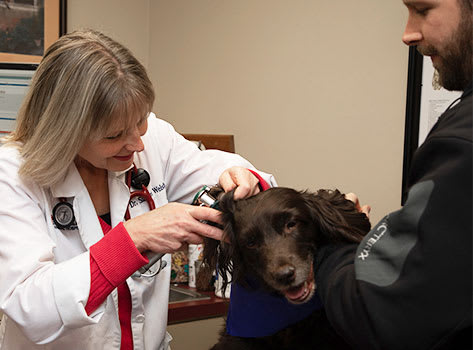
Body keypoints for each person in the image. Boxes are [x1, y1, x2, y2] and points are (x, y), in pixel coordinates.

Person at [0, 29, 276, 350]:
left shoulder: (152, 139)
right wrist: (132, 238)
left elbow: (212, 167)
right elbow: (31, 308)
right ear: (64, 129)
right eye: (114, 134)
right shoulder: (13, 174)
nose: (137, 142)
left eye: (141, 121)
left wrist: (240, 176)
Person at [314, 0, 472, 349]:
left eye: (423, 9)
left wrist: (329, 243)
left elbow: (377, 312)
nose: (407, 34)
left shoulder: (462, 142)